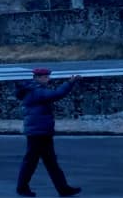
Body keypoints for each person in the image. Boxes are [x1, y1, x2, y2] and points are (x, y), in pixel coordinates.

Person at [15, 68, 82, 197]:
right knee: (32, 162)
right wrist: (70, 83)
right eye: (45, 77)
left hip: (41, 131)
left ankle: (63, 189)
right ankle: (22, 188)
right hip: (38, 132)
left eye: (48, 76)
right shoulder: (36, 91)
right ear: (37, 77)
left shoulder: (32, 89)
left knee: (48, 162)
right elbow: (56, 94)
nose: (48, 79)